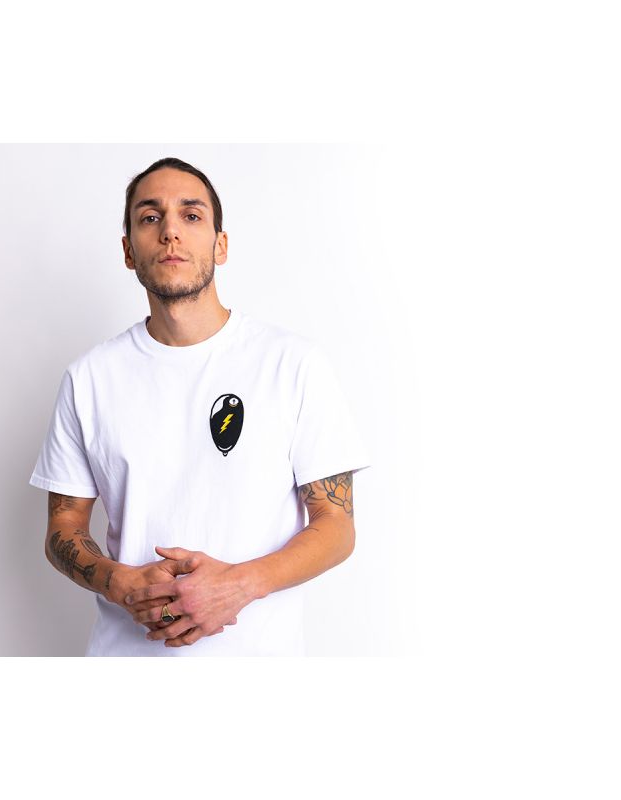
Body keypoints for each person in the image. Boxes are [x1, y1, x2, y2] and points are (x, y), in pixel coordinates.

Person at [29, 156, 371, 655]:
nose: (170, 231)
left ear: (221, 244)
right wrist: (121, 582)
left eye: (191, 215)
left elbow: (336, 526)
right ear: (128, 250)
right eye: (150, 217)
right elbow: (64, 527)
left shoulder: (293, 364)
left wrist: (239, 585)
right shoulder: (89, 379)